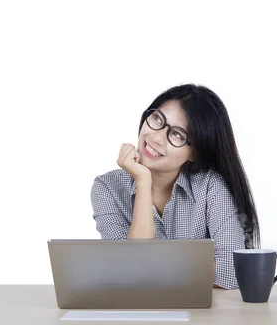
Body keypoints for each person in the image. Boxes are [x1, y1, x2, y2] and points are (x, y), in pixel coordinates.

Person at [90, 83, 260, 289]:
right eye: (157, 119)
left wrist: (150, 271)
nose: (157, 137)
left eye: (177, 134)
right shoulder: (107, 188)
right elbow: (128, 274)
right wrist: (143, 182)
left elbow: (232, 272)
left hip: (203, 318)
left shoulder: (211, 187)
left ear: (194, 153)